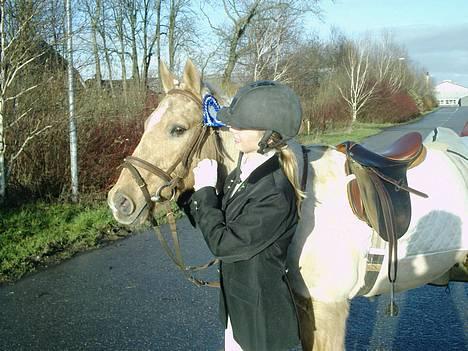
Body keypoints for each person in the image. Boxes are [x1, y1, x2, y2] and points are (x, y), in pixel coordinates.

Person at [183, 80, 304, 351]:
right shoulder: (244, 170)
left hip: (261, 323)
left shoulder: (274, 193)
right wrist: (185, 196)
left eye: (241, 125)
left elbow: (223, 243)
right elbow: (217, 215)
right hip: (238, 309)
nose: (231, 129)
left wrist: (204, 191)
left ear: (268, 135)